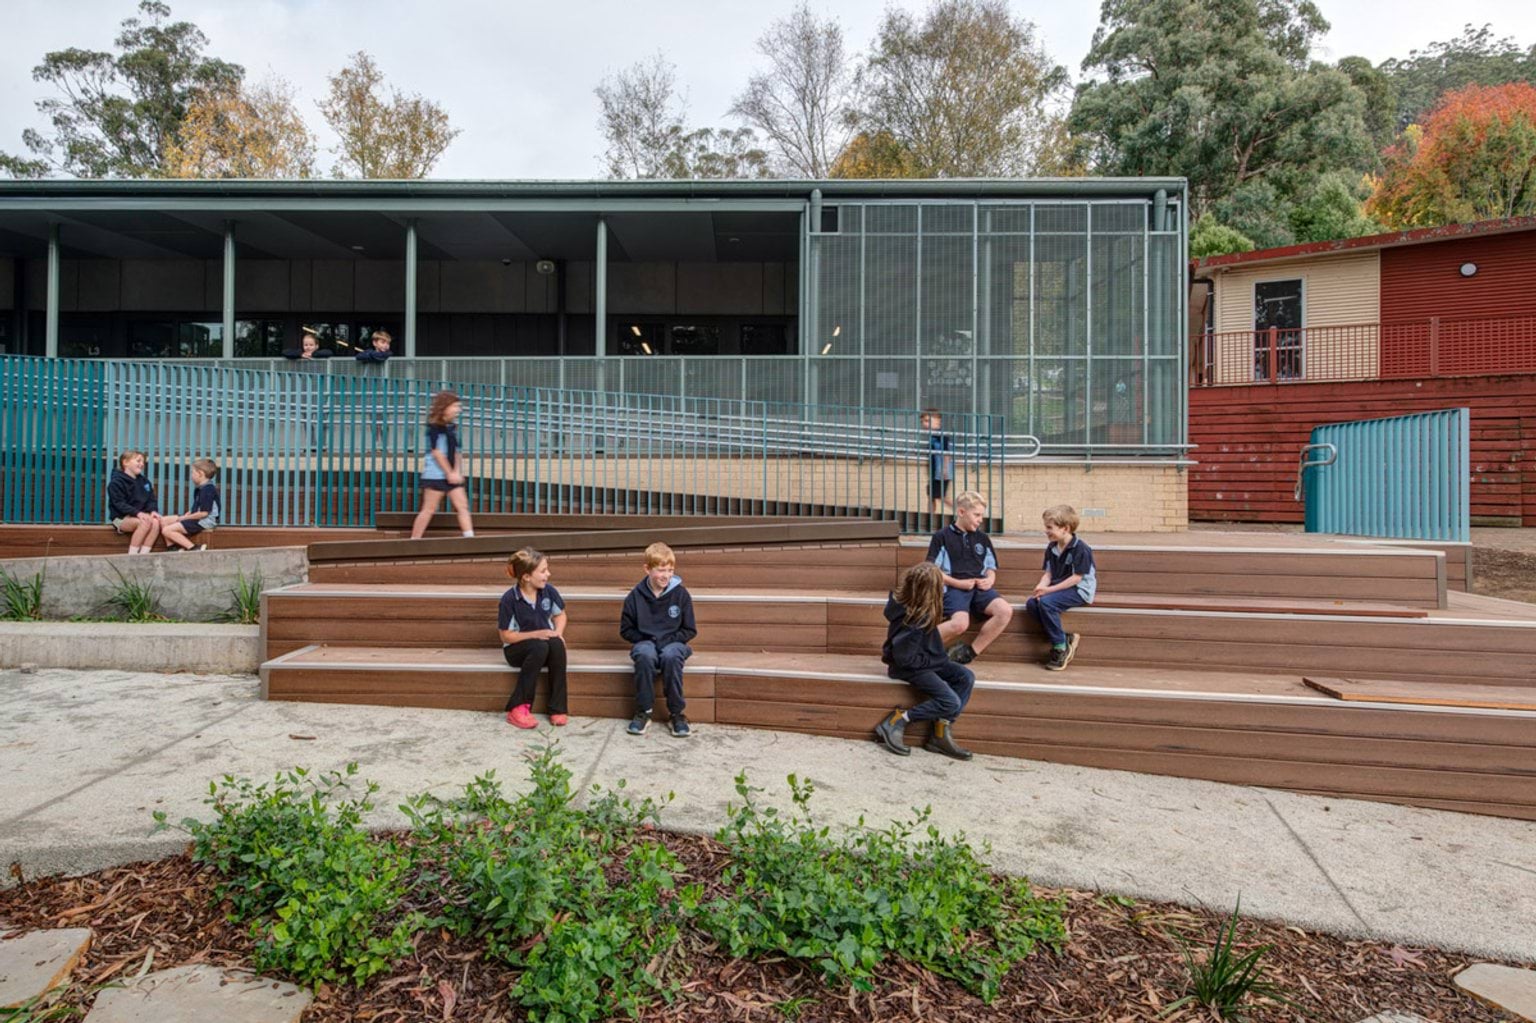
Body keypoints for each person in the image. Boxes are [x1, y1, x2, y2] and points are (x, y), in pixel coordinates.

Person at [873, 561, 974, 761]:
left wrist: (936, 659)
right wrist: (932, 661)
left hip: (927, 659)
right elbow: (905, 658)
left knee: (965, 677)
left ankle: (939, 734)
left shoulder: (915, 607)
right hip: (910, 667)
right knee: (950, 702)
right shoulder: (914, 618)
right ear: (930, 591)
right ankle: (898, 721)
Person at [619, 542, 698, 738]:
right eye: (661, 570)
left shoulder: (681, 595)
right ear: (647, 569)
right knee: (644, 654)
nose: (666, 575)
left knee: (671, 656)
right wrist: (649, 641)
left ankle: (677, 714)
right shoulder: (634, 597)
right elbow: (626, 630)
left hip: (674, 642)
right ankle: (644, 712)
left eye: (670, 570)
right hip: (646, 642)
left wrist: (665, 642)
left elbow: (689, 630)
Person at [926, 491, 1013, 665]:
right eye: (977, 515)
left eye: (982, 515)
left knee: (1005, 611)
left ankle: (968, 653)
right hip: (954, 587)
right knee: (960, 624)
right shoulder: (941, 537)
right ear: (961, 512)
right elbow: (932, 570)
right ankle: (917, 645)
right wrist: (958, 583)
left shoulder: (982, 538)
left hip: (979, 589)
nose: (981, 519)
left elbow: (990, 567)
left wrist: (990, 579)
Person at [498, 548, 569, 729]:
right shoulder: (509, 599)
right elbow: (506, 635)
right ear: (527, 577)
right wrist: (536, 634)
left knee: (556, 645)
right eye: (543, 571)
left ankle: (557, 707)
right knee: (539, 646)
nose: (548, 574)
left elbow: (560, 616)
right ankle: (518, 707)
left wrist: (557, 633)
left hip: (542, 645)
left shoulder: (548, 591)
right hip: (516, 649)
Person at [1025, 504, 1097, 671]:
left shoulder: (1081, 548)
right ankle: (1064, 638)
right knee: (1032, 604)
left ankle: (1059, 647)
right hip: (1060, 587)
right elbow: (1048, 574)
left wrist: (1048, 591)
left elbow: (1076, 578)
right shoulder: (1052, 547)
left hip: (1079, 589)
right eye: (1046, 527)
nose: (1046, 531)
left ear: (1065, 528)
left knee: (1047, 603)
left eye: (1050, 527)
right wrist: (1041, 587)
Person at [408, 390, 475, 540]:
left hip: (451, 475)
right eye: (455, 406)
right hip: (435, 475)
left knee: (462, 506)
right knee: (429, 509)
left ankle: (470, 538)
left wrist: (456, 472)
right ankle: (414, 540)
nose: (458, 410)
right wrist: (449, 473)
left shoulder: (452, 427)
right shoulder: (434, 427)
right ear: (445, 407)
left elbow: (457, 452)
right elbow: (437, 452)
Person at [160, 459, 221, 552]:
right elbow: (197, 507)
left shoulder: (207, 490)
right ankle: (172, 548)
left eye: (192, 473)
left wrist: (185, 518)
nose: (191, 476)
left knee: (167, 530)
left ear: (200, 473)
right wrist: (188, 514)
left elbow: (204, 513)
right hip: (197, 517)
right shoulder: (200, 488)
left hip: (204, 521)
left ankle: (193, 547)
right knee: (163, 521)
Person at [107, 450, 161, 554]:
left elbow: (151, 499)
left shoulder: (145, 482)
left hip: (139, 516)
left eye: (143, 462)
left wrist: (153, 510)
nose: (142, 464)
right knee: (144, 522)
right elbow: (119, 503)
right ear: (125, 462)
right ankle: (132, 556)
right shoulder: (116, 483)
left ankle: (144, 554)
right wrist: (137, 513)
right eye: (138, 461)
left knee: (155, 522)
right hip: (120, 519)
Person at [922, 408, 954, 517]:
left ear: (938, 421)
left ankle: (963, 512)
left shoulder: (941, 435)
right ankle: (930, 519)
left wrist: (944, 469)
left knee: (941, 496)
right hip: (935, 473)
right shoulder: (932, 436)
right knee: (931, 495)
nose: (924, 424)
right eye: (923, 421)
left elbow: (946, 454)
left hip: (941, 473)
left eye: (928, 421)